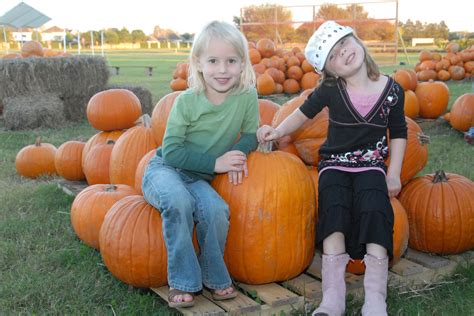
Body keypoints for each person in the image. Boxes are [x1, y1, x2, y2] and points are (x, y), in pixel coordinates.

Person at [257, 21, 407, 316]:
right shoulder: (330, 89)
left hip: (372, 167)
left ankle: (375, 300)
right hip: (334, 165)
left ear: (358, 40)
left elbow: (399, 132)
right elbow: (303, 113)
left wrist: (394, 173)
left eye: (344, 44)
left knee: (376, 213)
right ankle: (333, 298)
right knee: (333, 215)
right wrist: (277, 131)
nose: (343, 53)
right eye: (334, 56)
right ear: (331, 71)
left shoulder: (393, 91)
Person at [142, 20, 258, 308]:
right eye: (214, 61)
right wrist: (215, 162)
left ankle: (214, 276)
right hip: (166, 170)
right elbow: (170, 151)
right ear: (198, 63)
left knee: (217, 211)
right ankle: (182, 282)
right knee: (178, 201)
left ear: (242, 64)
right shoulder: (188, 101)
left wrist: (238, 154)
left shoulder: (246, 97)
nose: (222, 69)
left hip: (198, 178)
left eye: (231, 61)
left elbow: (252, 134)